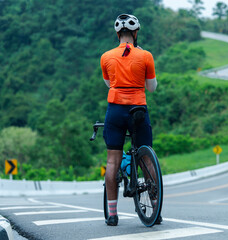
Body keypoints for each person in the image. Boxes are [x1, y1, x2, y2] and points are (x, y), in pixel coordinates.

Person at [100, 14, 159, 226]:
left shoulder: (106, 57)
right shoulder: (146, 56)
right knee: (147, 158)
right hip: (138, 110)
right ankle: (155, 207)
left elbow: (109, 84)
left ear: (118, 34)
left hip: (115, 110)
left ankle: (113, 214)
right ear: (135, 33)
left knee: (112, 161)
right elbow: (151, 88)